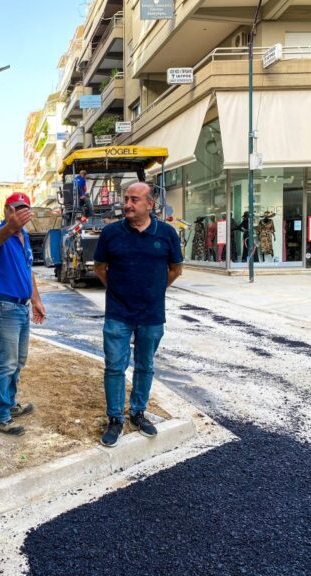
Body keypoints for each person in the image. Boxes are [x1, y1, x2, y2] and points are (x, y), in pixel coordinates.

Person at [93, 182, 183, 448]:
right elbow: (100, 268)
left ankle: (138, 412)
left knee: (145, 366)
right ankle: (115, 419)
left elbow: (175, 269)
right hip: (118, 313)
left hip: (152, 315)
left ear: (149, 204)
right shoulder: (111, 233)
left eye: (134, 200)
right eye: (126, 199)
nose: (128, 205)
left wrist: (155, 291)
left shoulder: (166, 233)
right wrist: (118, 291)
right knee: (114, 367)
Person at [0, 192, 46, 436]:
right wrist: (11, 226)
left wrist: (36, 300)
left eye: (25, 208)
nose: (22, 212)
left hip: (20, 307)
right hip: (4, 307)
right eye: (17, 208)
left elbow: (28, 269)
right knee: (6, 363)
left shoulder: (25, 237)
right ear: (7, 210)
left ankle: (8, 403)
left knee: (18, 361)